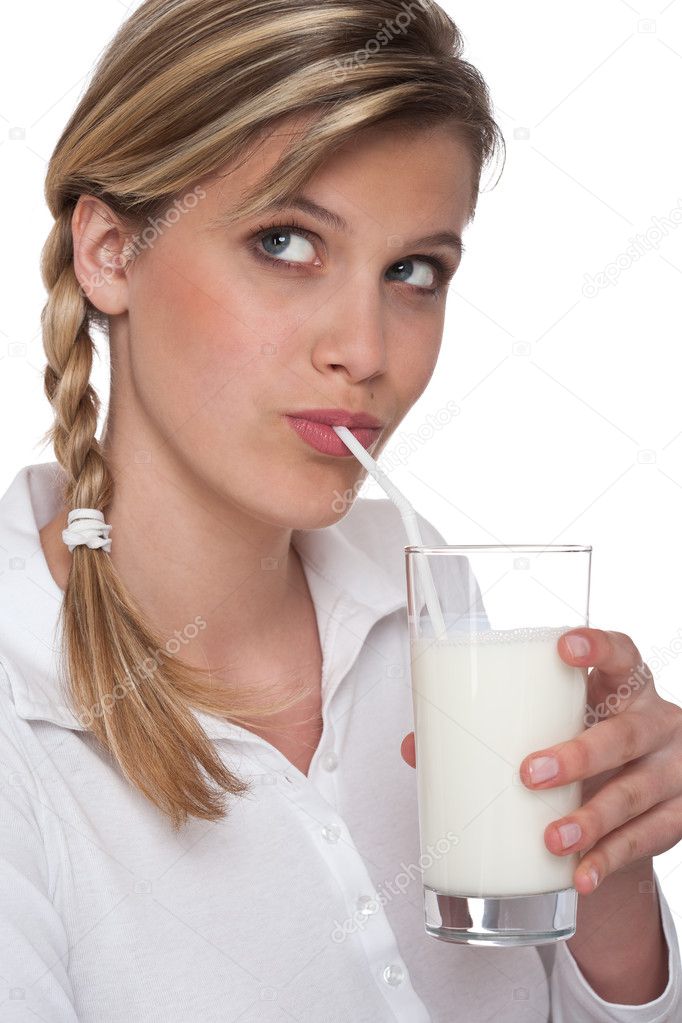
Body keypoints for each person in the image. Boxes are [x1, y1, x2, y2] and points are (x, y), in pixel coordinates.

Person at [1, 1, 681, 1019]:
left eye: (413, 272)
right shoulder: (23, 714)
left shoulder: (423, 604)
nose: (366, 351)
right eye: (286, 241)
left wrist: (611, 873)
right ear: (109, 252)